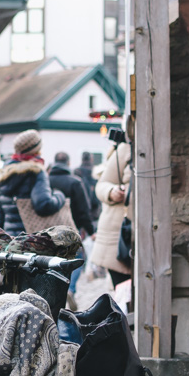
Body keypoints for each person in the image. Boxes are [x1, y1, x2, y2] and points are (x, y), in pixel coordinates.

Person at [0, 129, 66, 236]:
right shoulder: (36, 171)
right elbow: (44, 205)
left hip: (11, 238)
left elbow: (0, 212)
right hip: (30, 238)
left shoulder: (5, 172)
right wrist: (59, 196)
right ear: (36, 149)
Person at [48, 151, 97, 304]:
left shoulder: (45, 181)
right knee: (77, 258)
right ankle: (70, 288)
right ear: (68, 164)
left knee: (52, 259)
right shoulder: (75, 182)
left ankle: (54, 290)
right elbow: (84, 210)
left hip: (49, 229)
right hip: (72, 228)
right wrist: (90, 230)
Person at [93, 120, 134, 288]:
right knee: (123, 291)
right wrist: (112, 192)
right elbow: (102, 185)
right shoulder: (124, 150)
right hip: (118, 237)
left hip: (144, 235)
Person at [74, 151, 102, 226]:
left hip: (80, 206)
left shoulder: (77, 171)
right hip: (95, 206)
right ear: (91, 159)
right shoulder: (96, 171)